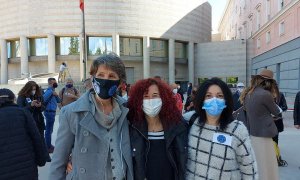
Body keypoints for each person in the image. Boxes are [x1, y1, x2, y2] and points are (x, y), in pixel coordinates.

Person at [49, 53, 134, 180]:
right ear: (92, 78)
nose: (105, 80)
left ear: (119, 83)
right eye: (101, 75)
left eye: (111, 76)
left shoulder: (127, 110)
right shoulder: (71, 113)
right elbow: (58, 162)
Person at [186, 78, 257, 179]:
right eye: (208, 96)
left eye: (219, 96)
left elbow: (249, 169)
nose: (214, 100)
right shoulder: (191, 122)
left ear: (226, 100)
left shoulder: (237, 130)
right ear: (202, 100)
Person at [127, 78, 187, 180]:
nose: (150, 100)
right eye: (145, 96)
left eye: (155, 95)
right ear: (138, 100)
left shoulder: (176, 125)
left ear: (164, 98)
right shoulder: (132, 127)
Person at [240, 69, 281, 180]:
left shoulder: (248, 94)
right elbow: (277, 112)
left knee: (259, 163)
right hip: (265, 135)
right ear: (269, 82)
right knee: (268, 164)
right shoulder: (266, 94)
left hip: (253, 133)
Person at [0, 88, 48, 180]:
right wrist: (41, 160)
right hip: (27, 167)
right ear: (13, 99)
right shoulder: (23, 113)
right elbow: (36, 138)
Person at [43, 78, 61, 153]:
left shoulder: (53, 91)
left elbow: (59, 101)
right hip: (49, 112)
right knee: (48, 130)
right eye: (54, 82)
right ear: (50, 83)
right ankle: (48, 147)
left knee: (50, 130)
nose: (55, 83)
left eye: (55, 82)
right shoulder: (49, 91)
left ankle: (48, 144)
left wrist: (56, 95)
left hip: (52, 112)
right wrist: (51, 93)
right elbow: (43, 99)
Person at [273, 91, 288, 166]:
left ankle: (276, 158)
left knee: (275, 140)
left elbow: (285, 106)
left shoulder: (281, 94)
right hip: (267, 121)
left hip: (277, 121)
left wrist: (278, 110)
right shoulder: (265, 94)